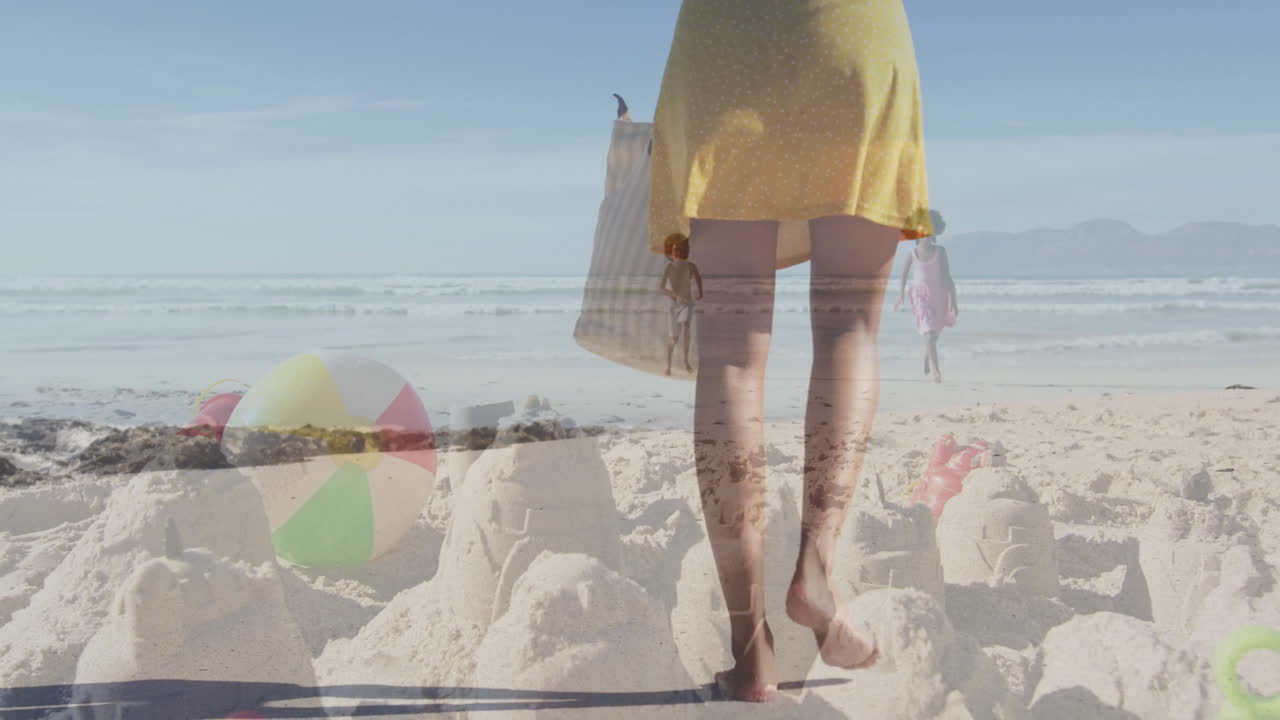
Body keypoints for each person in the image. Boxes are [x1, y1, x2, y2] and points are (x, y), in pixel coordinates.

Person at [649, 0, 934, 703]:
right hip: (852, 40)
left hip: (728, 46)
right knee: (849, 330)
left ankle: (750, 649)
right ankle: (816, 571)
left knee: (731, 353)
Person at [894, 210, 958, 383]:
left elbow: (947, 277)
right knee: (929, 332)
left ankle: (927, 356)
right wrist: (900, 297)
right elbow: (904, 276)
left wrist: (954, 301)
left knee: (934, 334)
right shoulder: (912, 254)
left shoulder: (941, 252)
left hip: (939, 296)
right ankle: (937, 371)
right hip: (920, 297)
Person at [659, 233, 704, 376]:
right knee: (674, 337)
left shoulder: (691, 266)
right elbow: (660, 288)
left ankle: (685, 362)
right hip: (674, 305)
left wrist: (700, 292)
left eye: (680, 249)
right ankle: (668, 365)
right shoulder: (669, 267)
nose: (677, 252)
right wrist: (673, 294)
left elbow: (698, 278)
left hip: (687, 303)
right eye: (674, 249)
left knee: (686, 329)